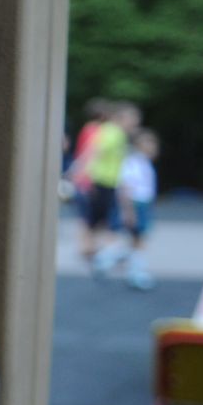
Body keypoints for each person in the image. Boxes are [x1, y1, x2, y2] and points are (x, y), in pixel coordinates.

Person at [70, 100, 138, 275]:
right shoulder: (114, 133)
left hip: (105, 181)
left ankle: (96, 251)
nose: (134, 124)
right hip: (101, 180)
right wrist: (83, 174)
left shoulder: (110, 131)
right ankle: (101, 253)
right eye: (132, 119)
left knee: (98, 218)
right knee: (103, 218)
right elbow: (95, 152)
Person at [116, 128, 159, 291]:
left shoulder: (144, 162)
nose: (153, 146)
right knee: (138, 240)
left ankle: (133, 269)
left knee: (137, 240)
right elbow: (125, 186)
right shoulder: (133, 162)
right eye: (148, 142)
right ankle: (136, 272)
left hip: (143, 203)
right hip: (136, 203)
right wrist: (128, 210)